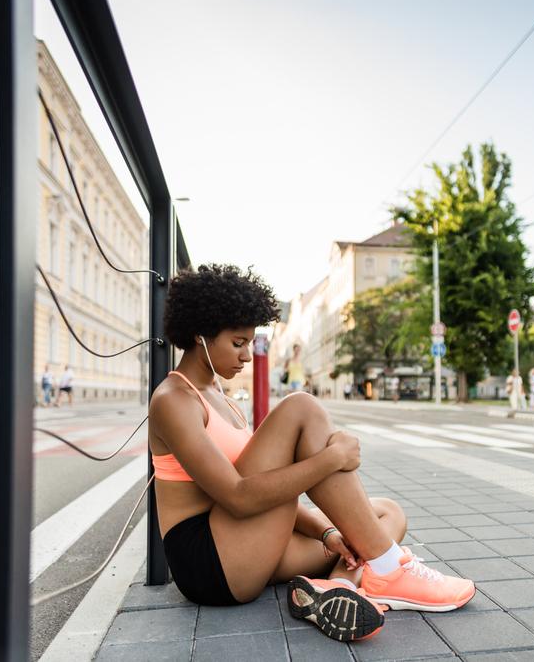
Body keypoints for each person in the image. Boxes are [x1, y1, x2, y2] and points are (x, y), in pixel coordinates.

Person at [148, 264, 475, 643]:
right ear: (199, 334)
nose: (246, 355)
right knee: (301, 407)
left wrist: (329, 531)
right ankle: (389, 570)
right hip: (210, 563)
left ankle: (336, 589)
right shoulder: (174, 400)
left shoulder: (224, 400)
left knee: (385, 513)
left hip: (242, 540)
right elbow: (239, 497)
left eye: (249, 343)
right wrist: (330, 460)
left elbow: (266, 497)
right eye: (237, 343)